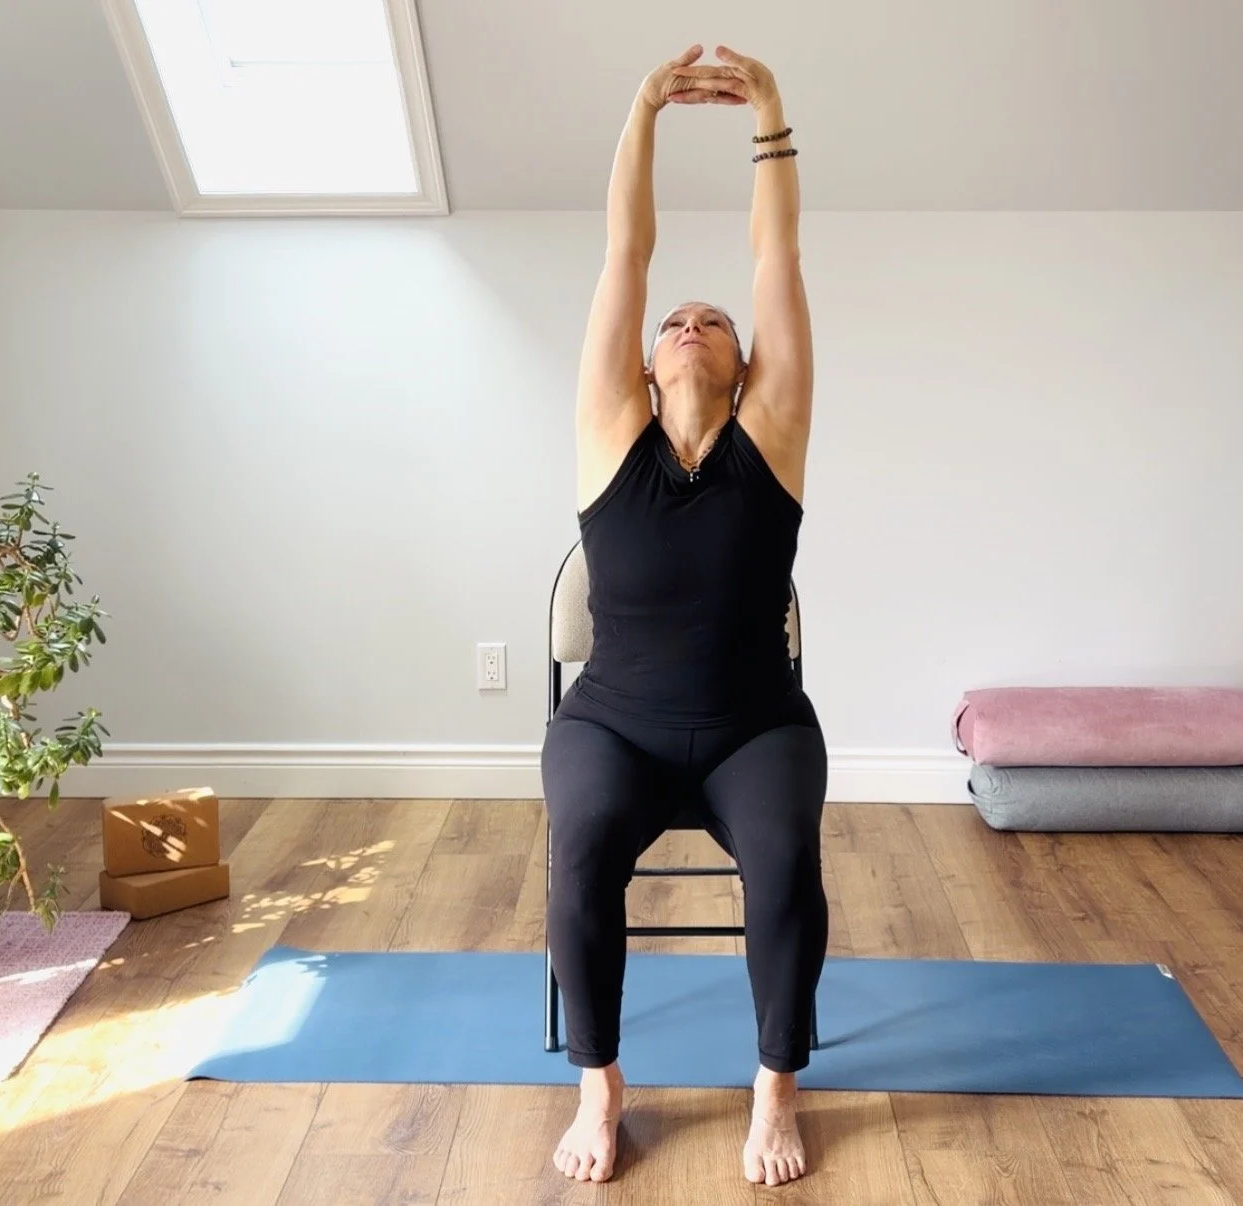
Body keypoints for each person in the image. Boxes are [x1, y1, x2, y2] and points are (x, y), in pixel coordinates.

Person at [543, 44, 825, 1187]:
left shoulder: (774, 435)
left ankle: (775, 1092)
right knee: (576, 855)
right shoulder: (609, 435)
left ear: (747, 365)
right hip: (613, 724)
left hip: (757, 727)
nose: (690, 323)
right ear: (647, 370)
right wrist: (644, 107)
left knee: (786, 863)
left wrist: (769, 110)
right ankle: (600, 1088)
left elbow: (775, 255)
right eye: (672, 324)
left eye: (713, 321)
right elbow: (626, 250)